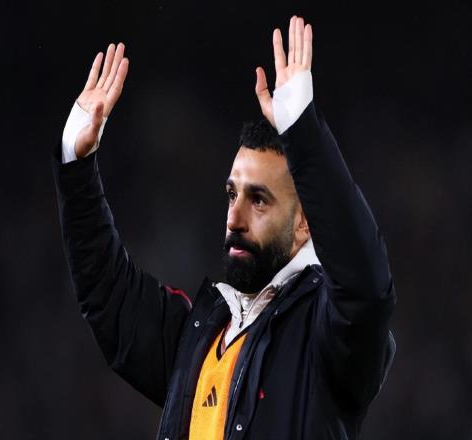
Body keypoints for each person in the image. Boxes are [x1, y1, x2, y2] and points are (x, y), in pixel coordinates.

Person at [52, 15, 396, 440]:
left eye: (259, 200)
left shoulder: (326, 335)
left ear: (304, 223)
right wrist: (76, 165)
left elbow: (367, 288)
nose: (234, 218)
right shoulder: (203, 332)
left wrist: (305, 135)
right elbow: (110, 298)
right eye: (232, 195)